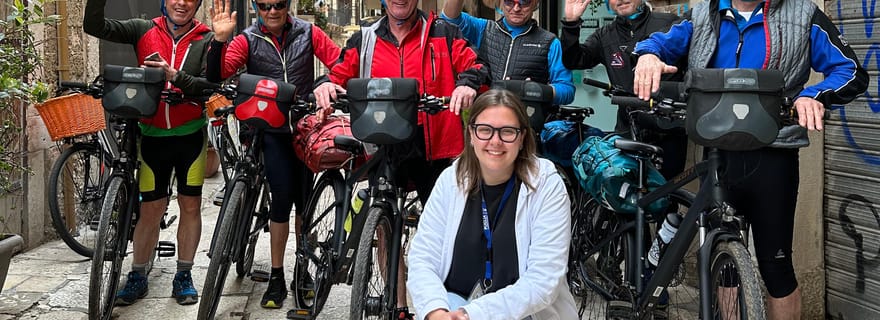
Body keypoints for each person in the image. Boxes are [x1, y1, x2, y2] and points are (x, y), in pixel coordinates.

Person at [631, 0, 868, 318]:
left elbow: (851, 71)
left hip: (774, 153)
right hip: (718, 152)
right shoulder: (704, 13)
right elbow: (661, 41)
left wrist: (813, 95)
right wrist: (649, 55)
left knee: (777, 267)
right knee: (722, 260)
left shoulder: (802, 14)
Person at [312, 0, 486, 317]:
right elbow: (337, 73)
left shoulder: (443, 32)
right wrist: (326, 85)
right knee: (384, 225)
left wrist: (467, 84)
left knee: (446, 233)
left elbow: (476, 66)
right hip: (382, 141)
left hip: (432, 143)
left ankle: (444, 307)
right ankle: (401, 306)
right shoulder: (365, 38)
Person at [206, 0, 341, 309]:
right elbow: (217, 74)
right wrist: (219, 40)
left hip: (304, 127)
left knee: (305, 203)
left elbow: (340, 63)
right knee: (281, 197)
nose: (272, 11)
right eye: (264, 5)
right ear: (257, 8)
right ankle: (277, 275)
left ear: (287, 5)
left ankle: (302, 269)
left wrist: (326, 84)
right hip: (269, 129)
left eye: (278, 4)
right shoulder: (248, 38)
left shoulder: (309, 32)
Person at [83, 0, 217, 306]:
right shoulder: (144, 29)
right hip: (152, 135)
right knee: (150, 210)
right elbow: (95, 27)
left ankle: (183, 274)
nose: (182, 3)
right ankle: (138, 276)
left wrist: (173, 76)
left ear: (197, 5)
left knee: (191, 205)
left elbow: (210, 86)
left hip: (189, 136)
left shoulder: (206, 38)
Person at [407, 89, 577, 320]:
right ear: (471, 134)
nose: (495, 142)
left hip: (523, 313)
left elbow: (543, 280)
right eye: (485, 130)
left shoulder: (547, 186)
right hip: (454, 304)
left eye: (507, 132)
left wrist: (473, 314)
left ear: (522, 138)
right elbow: (423, 257)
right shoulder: (451, 179)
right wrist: (435, 311)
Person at [561, 0, 687, 179]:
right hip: (627, 128)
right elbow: (574, 60)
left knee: (666, 195)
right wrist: (571, 23)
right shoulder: (605, 35)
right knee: (626, 196)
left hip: (667, 131)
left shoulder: (667, 23)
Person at [440, 0, 575, 107]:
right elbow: (449, 20)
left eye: (524, 2)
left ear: (535, 3)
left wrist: (535, 90)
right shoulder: (484, 29)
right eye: (509, 2)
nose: (516, 8)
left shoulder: (550, 42)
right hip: (485, 117)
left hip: (526, 123)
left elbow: (567, 90)